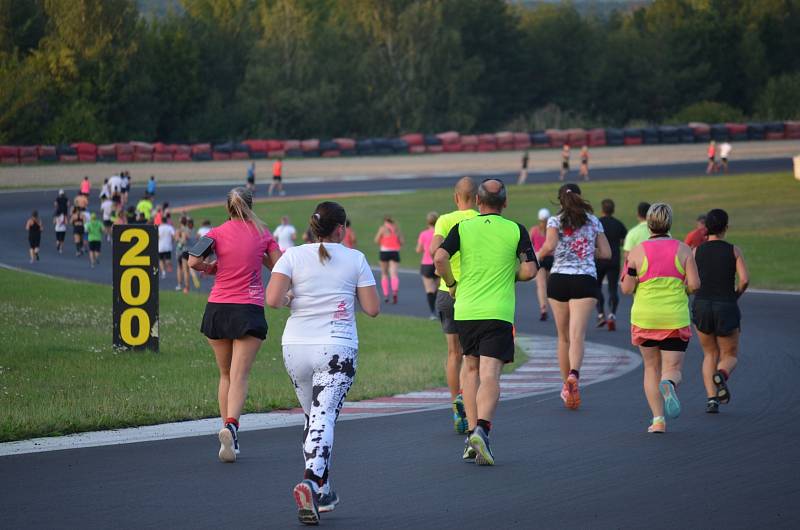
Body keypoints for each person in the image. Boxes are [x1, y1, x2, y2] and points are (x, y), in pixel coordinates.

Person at [266, 201, 379, 524]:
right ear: (341, 229)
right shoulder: (355, 258)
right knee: (324, 416)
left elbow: (273, 300)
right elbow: (372, 308)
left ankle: (324, 490)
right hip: (336, 347)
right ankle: (312, 481)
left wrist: (292, 296)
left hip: (295, 347)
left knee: (312, 417)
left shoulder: (291, 256)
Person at [434, 179, 538, 465]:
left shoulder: (462, 228)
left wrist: (451, 283)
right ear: (505, 203)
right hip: (498, 310)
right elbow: (530, 270)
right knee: (490, 374)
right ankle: (483, 428)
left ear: (478, 203)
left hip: (466, 310)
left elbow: (439, 257)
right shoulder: (516, 229)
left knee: (470, 369)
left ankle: (470, 435)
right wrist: (512, 275)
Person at [189, 187, 282, 463]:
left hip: (218, 308)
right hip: (248, 308)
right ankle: (231, 426)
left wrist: (211, 268)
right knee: (240, 375)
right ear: (251, 206)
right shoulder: (263, 234)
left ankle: (228, 433)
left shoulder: (215, 233)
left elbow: (193, 261)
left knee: (225, 375)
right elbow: (279, 265)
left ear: (227, 208)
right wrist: (260, 258)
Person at [621, 203, 700, 433]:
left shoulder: (637, 252)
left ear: (648, 224)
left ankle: (658, 420)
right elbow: (695, 284)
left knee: (650, 367)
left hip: (645, 317)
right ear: (669, 223)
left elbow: (626, 288)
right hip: (674, 316)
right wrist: (682, 288)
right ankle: (670, 384)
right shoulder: (684, 250)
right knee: (672, 368)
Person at [536, 184, 611, 410]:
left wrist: (534, 258)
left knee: (563, 337)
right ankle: (574, 375)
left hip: (559, 279)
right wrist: (588, 250)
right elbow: (607, 253)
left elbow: (549, 245)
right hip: (584, 279)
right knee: (577, 335)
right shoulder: (593, 221)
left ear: (560, 201)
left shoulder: (554, 221)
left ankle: (566, 387)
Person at [430, 176, 478, 434]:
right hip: (474, 292)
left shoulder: (446, 220)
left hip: (447, 291)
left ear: (455, 197)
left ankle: (455, 403)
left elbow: (433, 251)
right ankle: (470, 404)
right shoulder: (481, 220)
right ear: (478, 198)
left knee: (453, 354)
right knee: (473, 357)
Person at [692, 209, 749, 414]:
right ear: (726, 227)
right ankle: (722, 374)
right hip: (725, 304)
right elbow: (744, 279)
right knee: (730, 354)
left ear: (706, 228)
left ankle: (711, 400)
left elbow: (691, 282)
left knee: (709, 353)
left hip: (702, 305)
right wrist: (736, 295)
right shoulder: (733, 250)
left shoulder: (697, 251)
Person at [595, 199, 627, 331]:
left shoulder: (596, 223)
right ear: (613, 210)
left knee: (596, 288)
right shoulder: (619, 224)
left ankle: (601, 314)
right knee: (613, 289)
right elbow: (625, 241)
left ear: (602, 210)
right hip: (614, 260)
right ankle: (612, 314)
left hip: (599, 260)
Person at [530, 208, 553, 321]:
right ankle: (551, 307)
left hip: (540, 258)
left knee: (541, 285)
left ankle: (543, 308)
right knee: (549, 286)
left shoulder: (534, 230)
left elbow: (529, 245)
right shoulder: (552, 230)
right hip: (551, 258)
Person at [374, 216, 403, 304]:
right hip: (394, 252)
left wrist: (382, 242)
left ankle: (386, 295)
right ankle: (394, 292)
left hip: (384, 251)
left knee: (384, 274)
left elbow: (376, 240)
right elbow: (402, 242)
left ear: (385, 221)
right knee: (394, 274)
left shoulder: (382, 228)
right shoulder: (397, 229)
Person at [416, 211, 439, 319]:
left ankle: (432, 312)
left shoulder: (424, 234)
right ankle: (439, 310)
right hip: (438, 263)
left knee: (430, 289)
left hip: (426, 264)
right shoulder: (441, 233)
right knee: (438, 288)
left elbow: (419, 249)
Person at [175, 215, 191, 292]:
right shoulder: (189, 229)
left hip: (181, 250)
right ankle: (186, 286)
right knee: (186, 270)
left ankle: (180, 285)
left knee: (180, 268)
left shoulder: (180, 230)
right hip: (188, 250)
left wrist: (180, 240)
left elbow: (178, 240)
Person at [158, 214, 176, 279]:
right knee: (168, 259)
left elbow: (157, 236)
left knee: (160, 260)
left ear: (161, 221)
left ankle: (163, 271)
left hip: (160, 246)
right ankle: (168, 265)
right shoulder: (170, 227)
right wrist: (172, 241)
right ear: (166, 221)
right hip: (168, 246)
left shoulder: (159, 228)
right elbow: (174, 236)